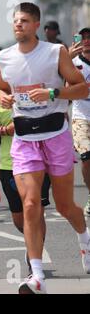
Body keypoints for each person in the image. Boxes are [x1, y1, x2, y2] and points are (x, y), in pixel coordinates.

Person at [0, 2, 90, 294]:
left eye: (24, 20)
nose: (18, 25)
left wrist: (53, 92)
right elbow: (2, 87)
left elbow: (82, 88)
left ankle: (85, 239)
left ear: (36, 24)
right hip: (24, 139)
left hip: (55, 135)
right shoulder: (4, 56)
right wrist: (2, 97)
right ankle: (36, 276)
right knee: (30, 204)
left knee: (65, 206)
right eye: (15, 21)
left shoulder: (55, 52)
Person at [0, 90, 51, 275]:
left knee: (36, 210)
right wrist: (5, 130)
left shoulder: (39, 89)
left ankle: (34, 262)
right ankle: (32, 241)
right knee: (20, 220)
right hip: (9, 164)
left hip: (39, 162)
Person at [71, 27, 90, 216]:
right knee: (86, 158)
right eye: (83, 38)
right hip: (81, 117)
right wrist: (67, 58)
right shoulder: (73, 62)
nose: (86, 41)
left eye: (89, 38)